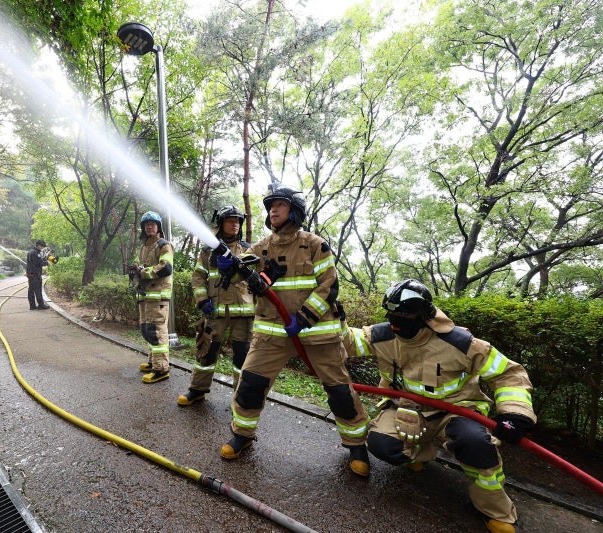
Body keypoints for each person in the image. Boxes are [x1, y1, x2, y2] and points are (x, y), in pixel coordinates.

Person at [340, 279, 536, 533]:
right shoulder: (385, 335)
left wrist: (514, 414)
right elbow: (349, 342)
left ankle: (496, 511)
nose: (395, 320)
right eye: (391, 313)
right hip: (408, 408)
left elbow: (509, 374)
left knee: (475, 445)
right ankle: (421, 451)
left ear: (423, 315)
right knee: (381, 444)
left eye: (403, 314)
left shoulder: (460, 343)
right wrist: (336, 318)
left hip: (457, 410)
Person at [215, 184, 371, 476]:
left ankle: (357, 445)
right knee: (249, 385)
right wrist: (227, 266)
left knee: (339, 390)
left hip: (317, 334)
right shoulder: (260, 247)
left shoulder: (314, 245)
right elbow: (242, 272)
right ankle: (242, 435)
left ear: (295, 210)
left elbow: (330, 286)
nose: (272, 209)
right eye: (270, 205)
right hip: (270, 334)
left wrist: (303, 317)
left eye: (280, 205)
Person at [178, 205, 255, 406]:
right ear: (221, 223)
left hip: (243, 314)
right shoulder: (207, 250)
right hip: (215, 311)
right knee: (205, 351)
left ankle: (241, 400)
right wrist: (202, 300)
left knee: (242, 358)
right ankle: (197, 390)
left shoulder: (249, 249)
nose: (235, 225)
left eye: (238, 221)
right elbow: (198, 277)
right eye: (230, 221)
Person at [133, 211, 174, 384]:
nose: (150, 226)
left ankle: (161, 369)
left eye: (153, 223)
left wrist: (143, 273)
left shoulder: (164, 245)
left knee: (157, 331)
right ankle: (153, 362)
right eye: (146, 224)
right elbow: (140, 267)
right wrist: (134, 271)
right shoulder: (144, 247)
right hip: (145, 296)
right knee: (147, 329)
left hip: (158, 297)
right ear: (143, 228)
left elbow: (166, 268)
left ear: (158, 226)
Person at [26, 239, 50, 310]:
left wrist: (44, 260)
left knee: (31, 289)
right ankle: (41, 305)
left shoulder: (31, 251)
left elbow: (36, 261)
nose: (42, 249)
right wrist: (46, 263)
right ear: (39, 245)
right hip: (35, 274)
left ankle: (32, 305)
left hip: (30, 273)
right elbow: (38, 263)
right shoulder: (36, 253)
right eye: (42, 247)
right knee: (38, 289)